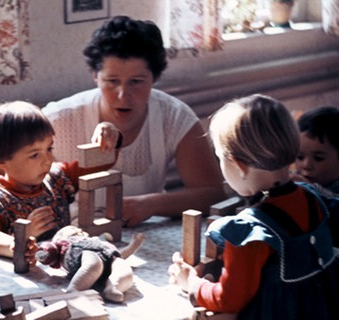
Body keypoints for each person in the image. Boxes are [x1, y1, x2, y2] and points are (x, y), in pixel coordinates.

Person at [0, 15, 225, 226]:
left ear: (154, 78)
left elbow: (211, 193)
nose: (124, 95)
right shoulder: (60, 119)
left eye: (137, 82)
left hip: (141, 232)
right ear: (95, 77)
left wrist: (147, 205)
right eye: (111, 82)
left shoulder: (174, 115)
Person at [168, 94, 339, 319]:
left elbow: (228, 299)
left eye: (221, 159)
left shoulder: (249, 233)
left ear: (238, 165)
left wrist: (191, 282)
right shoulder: (316, 198)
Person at [0, 101, 121, 262]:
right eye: (34, 155)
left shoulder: (58, 178)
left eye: (49, 149)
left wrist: (110, 136)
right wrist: (24, 235)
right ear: (0, 161)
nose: (48, 160)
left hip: (64, 272)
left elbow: (102, 162)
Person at [36, 225, 145, 303]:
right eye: (71, 229)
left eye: (77, 229)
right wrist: (42, 254)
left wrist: (132, 246)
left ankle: (113, 287)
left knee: (122, 266)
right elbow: (49, 251)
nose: (77, 230)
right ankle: (74, 289)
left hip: (109, 256)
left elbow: (119, 254)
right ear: (59, 238)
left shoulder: (97, 241)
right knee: (93, 263)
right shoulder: (66, 243)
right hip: (83, 254)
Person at [291, 106, 339, 196]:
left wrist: (311, 189)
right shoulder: (294, 179)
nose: (306, 165)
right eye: (300, 157)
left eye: (318, 158)